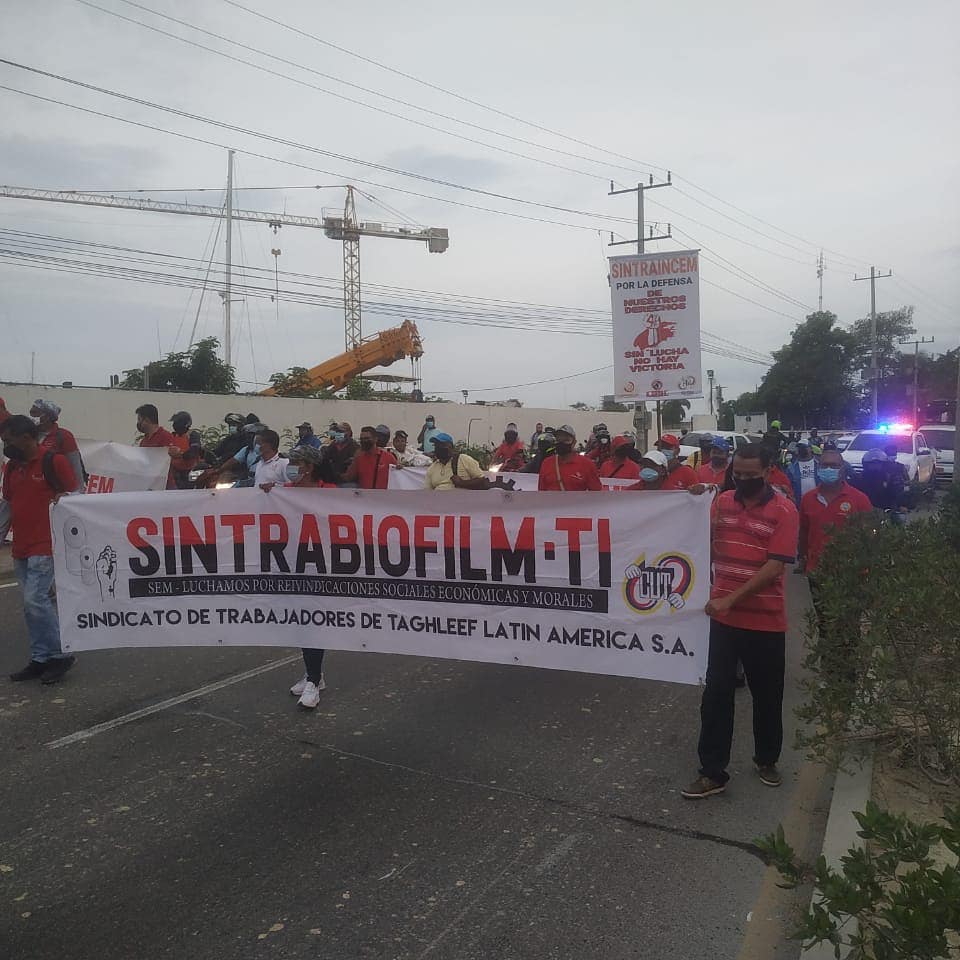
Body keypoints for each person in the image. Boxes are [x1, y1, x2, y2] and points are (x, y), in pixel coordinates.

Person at [682, 443, 799, 799]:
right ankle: (712, 771)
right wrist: (691, 503)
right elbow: (697, 540)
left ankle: (767, 759)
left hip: (764, 621)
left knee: (767, 696)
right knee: (716, 696)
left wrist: (730, 599)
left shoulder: (784, 510)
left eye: (751, 474)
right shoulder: (721, 503)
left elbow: (775, 567)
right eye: (738, 473)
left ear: (767, 472)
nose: (744, 479)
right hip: (724, 621)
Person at [1, 415, 77, 684]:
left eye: (8, 440)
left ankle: (61, 653)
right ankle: (41, 657)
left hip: (46, 543)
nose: (5, 445)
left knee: (35, 600)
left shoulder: (53, 461)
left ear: (26, 437)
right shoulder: (12, 467)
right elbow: (7, 504)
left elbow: (75, 495)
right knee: (30, 604)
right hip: (21, 546)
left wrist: (64, 499)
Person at [30, 398, 84, 492]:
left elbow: (75, 466)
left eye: (34, 413)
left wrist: (78, 493)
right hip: (34, 487)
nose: (31, 416)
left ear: (47, 416)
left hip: (56, 490)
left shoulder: (64, 436)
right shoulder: (31, 434)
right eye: (31, 412)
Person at [538, 425, 602, 491]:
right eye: (558, 440)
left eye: (566, 440)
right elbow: (541, 491)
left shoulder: (587, 464)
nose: (561, 443)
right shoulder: (547, 463)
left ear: (574, 442)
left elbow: (596, 493)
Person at [166, 410, 202, 490]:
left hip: (190, 472)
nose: (174, 425)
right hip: (175, 473)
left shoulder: (192, 435)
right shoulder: (172, 436)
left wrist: (180, 455)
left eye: (177, 422)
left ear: (185, 424)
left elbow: (194, 451)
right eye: (174, 423)